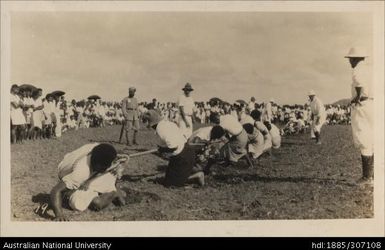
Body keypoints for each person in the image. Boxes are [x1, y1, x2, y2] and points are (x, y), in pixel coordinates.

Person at [50, 143, 127, 221]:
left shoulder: (97, 148)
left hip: (72, 167)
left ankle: (113, 190)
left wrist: (118, 160)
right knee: (91, 203)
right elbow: (56, 191)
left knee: (97, 201)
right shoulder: (81, 172)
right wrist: (59, 215)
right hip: (71, 173)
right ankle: (114, 192)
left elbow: (110, 151)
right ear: (98, 166)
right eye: (105, 167)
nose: (107, 168)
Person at [143, 110, 204, 187]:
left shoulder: (161, 129)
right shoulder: (167, 123)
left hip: (183, 155)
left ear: (150, 123)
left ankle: (197, 175)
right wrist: (163, 148)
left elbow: (173, 147)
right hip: (184, 151)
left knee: (172, 185)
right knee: (168, 180)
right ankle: (185, 173)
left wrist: (162, 150)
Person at [345, 47, 374, 185]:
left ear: (355, 58)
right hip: (372, 105)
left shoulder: (357, 70)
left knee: (363, 138)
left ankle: (367, 177)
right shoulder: (369, 69)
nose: (349, 61)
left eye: (350, 58)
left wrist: (355, 99)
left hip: (363, 105)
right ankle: (370, 176)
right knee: (371, 138)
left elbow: (360, 89)